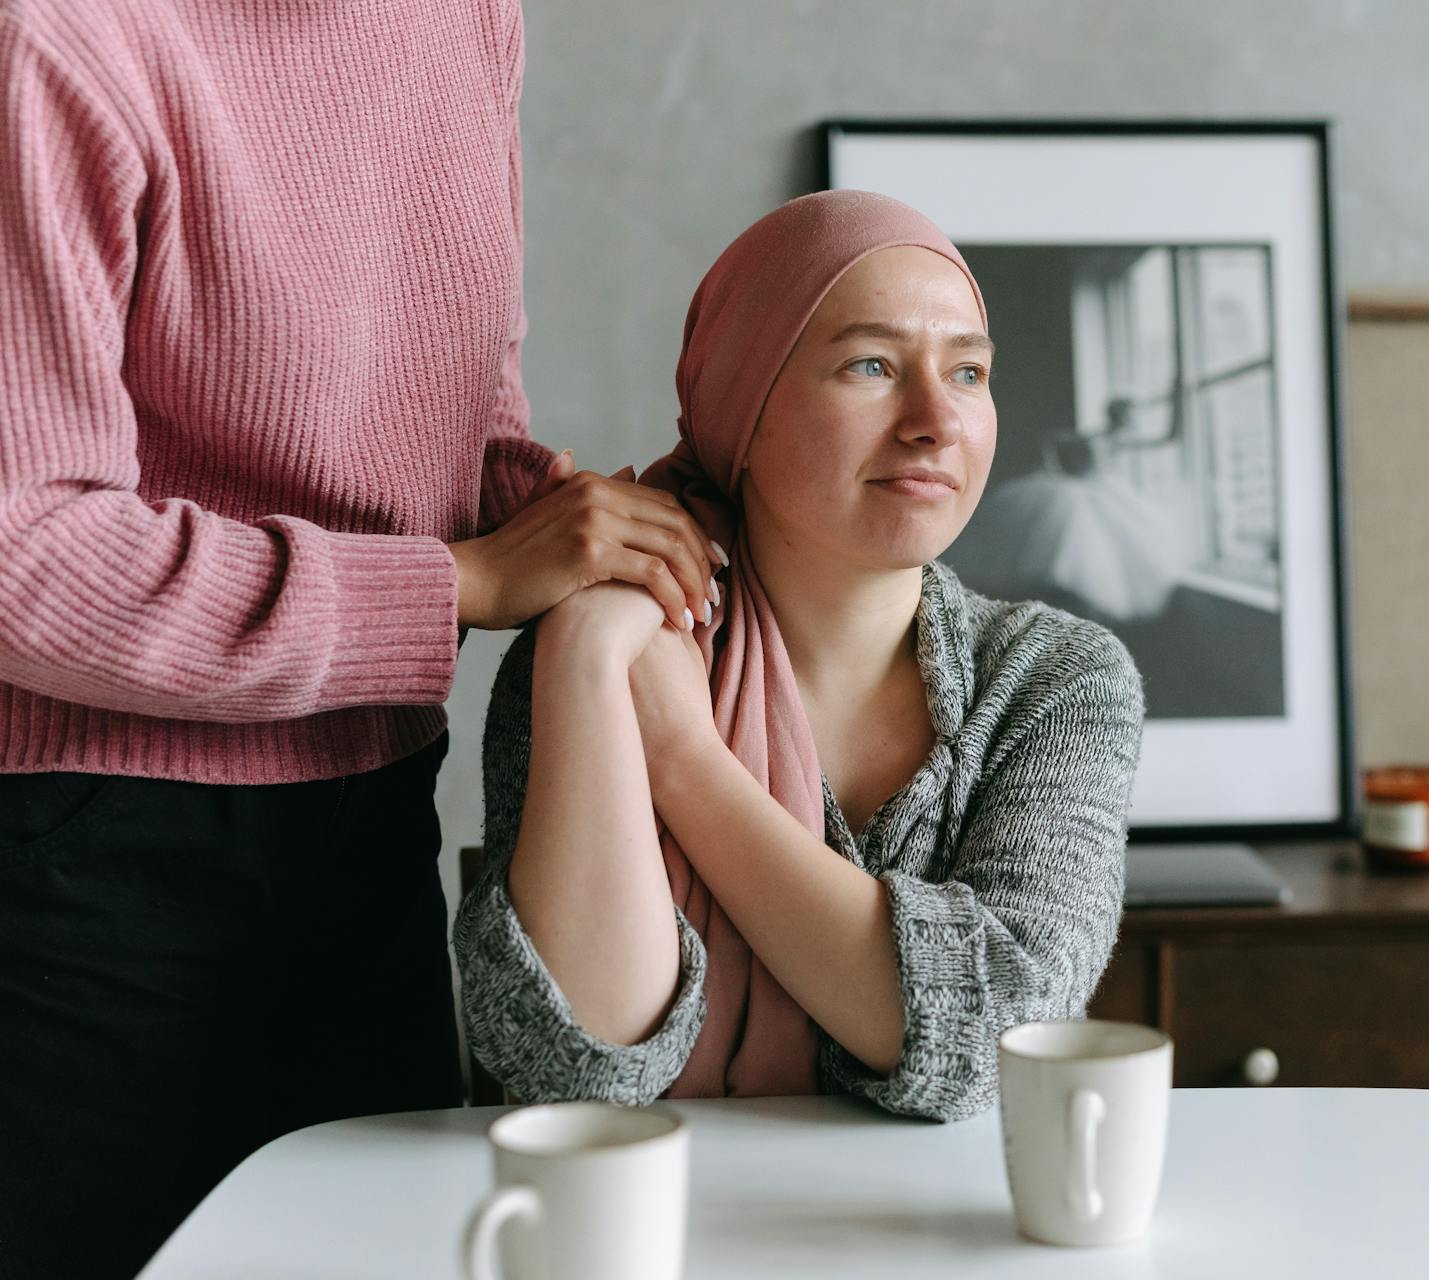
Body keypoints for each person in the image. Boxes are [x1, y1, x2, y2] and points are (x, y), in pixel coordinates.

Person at [0, 3, 719, 1275]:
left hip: (375, 809)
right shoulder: (61, 38)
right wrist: (461, 583)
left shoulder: (467, 21)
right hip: (90, 857)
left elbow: (459, 412)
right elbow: (29, 559)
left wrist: (598, 521)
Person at [455, 190, 1148, 1121]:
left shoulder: (1056, 681)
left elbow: (999, 1039)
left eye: (970, 374)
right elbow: (571, 1073)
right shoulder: (602, 646)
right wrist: (581, 646)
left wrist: (686, 761)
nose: (936, 421)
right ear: (742, 405)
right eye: (871, 365)